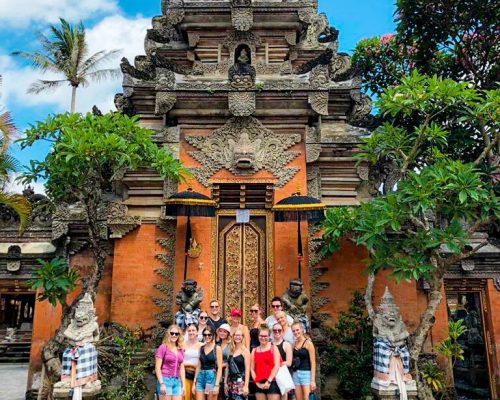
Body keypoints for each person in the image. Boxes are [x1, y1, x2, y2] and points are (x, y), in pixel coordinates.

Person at [155, 324, 186, 400]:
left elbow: (182, 368)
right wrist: (162, 383)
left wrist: (183, 385)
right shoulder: (163, 347)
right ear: (168, 334)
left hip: (177, 381)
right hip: (165, 380)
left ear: (179, 335)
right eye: (172, 333)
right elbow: (157, 368)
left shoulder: (180, 349)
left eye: (176, 334)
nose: (174, 335)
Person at [250, 325, 281, 399]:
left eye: (265, 336)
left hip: (272, 382)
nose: (263, 338)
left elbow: (277, 365)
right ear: (258, 336)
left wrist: (269, 381)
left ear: (269, 336)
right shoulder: (254, 350)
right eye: (261, 336)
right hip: (259, 383)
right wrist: (257, 383)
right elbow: (252, 369)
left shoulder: (273, 348)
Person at [193, 327, 223, 400]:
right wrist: (194, 382)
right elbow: (198, 366)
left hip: (210, 378)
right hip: (200, 378)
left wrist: (216, 385)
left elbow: (219, 368)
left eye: (209, 335)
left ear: (213, 335)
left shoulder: (217, 348)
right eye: (205, 335)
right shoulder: (201, 348)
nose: (207, 337)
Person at [291, 323, 316, 400]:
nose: (296, 332)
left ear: (302, 330)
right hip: (295, 374)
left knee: (307, 398)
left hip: (306, 374)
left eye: (297, 330)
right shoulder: (293, 344)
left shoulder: (308, 343)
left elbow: (313, 363)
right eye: (293, 331)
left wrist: (312, 380)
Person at [225, 328, 251, 400]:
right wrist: (225, 383)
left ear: (242, 337)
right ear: (233, 337)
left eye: (239, 335)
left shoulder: (245, 351)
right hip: (230, 383)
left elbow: (247, 370)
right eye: (236, 335)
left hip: (240, 383)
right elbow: (227, 367)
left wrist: (246, 385)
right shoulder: (230, 350)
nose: (237, 337)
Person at [272, 322, 293, 399]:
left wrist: (276, 365)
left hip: (282, 375)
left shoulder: (286, 345)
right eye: (275, 330)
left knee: (283, 396)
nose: (277, 332)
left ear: (283, 331)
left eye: (279, 330)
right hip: (272, 376)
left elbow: (289, 362)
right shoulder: (270, 344)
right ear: (272, 332)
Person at [185, 324, 203, 400]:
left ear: (197, 332)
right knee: (186, 397)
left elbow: (203, 361)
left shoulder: (202, 345)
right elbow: (180, 361)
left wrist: (196, 366)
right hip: (186, 374)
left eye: (193, 330)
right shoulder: (182, 344)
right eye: (189, 330)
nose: (191, 332)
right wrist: (192, 364)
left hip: (199, 375)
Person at [217, 323, 232, 399]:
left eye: (224, 332)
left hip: (226, 373)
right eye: (221, 331)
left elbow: (229, 362)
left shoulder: (230, 345)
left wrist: (221, 365)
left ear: (228, 333)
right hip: (215, 372)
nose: (222, 333)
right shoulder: (216, 344)